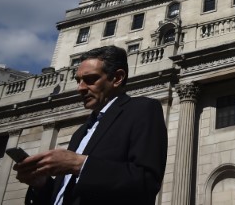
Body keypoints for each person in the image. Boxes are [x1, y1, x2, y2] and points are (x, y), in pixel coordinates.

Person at [14, 46, 168, 204]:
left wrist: (78, 164)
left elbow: (146, 182)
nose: (80, 88)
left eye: (90, 79)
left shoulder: (142, 109)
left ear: (117, 78)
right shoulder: (80, 133)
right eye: (78, 81)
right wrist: (42, 185)